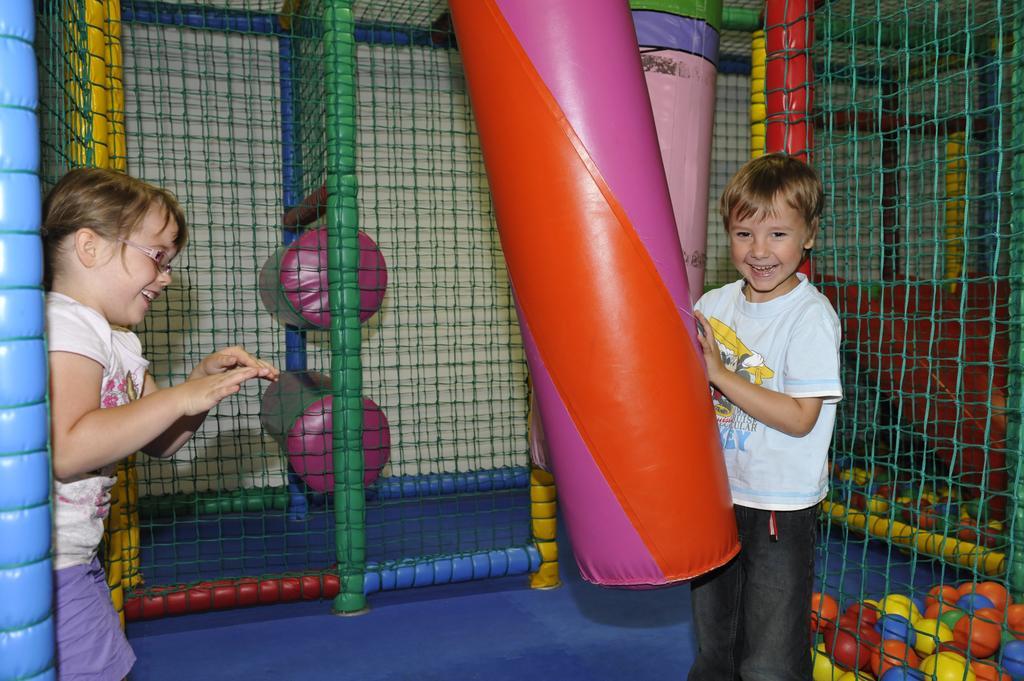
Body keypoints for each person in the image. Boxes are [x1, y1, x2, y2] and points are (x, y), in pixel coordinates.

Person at [42, 167, 279, 680]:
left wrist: (200, 390)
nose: (166, 277)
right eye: (157, 257)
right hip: (40, 562)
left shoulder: (119, 339)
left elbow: (161, 444)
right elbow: (69, 447)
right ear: (90, 247)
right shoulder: (65, 323)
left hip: (71, 554)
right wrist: (178, 397)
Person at [687, 153, 842, 681]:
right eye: (744, 233)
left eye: (778, 234)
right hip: (717, 494)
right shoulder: (713, 304)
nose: (759, 251)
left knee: (770, 659)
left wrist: (720, 375)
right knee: (715, 646)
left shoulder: (810, 317)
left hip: (780, 504)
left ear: (809, 236)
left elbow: (801, 418)